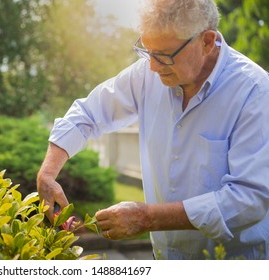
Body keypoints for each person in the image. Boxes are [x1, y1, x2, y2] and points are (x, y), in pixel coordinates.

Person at [37, 0, 269, 259]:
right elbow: (88, 113)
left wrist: (148, 218)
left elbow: (249, 199)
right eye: (147, 50)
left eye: (164, 55)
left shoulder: (255, 91)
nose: (153, 67)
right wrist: (47, 174)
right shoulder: (148, 74)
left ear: (206, 41)